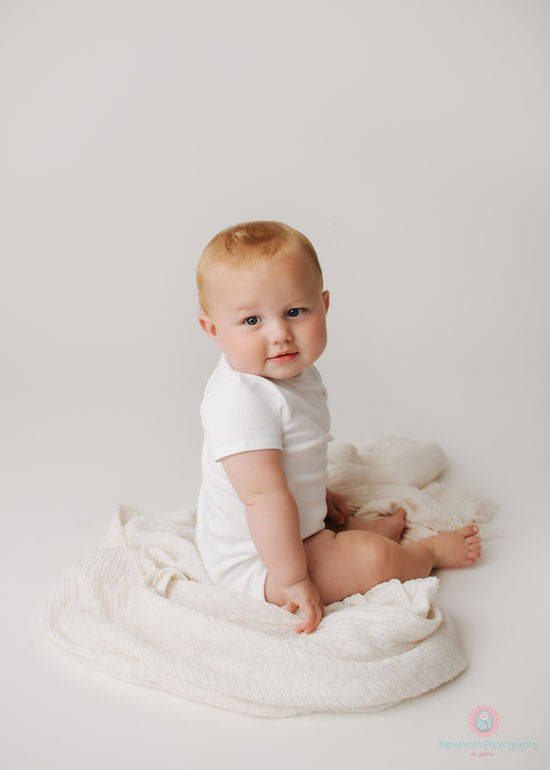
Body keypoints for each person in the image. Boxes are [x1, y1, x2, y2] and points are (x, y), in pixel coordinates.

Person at [194, 221, 482, 634]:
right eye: (252, 320)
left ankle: (337, 535)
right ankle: (425, 554)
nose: (280, 335)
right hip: (258, 561)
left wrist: (315, 493)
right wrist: (294, 581)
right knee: (372, 561)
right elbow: (261, 497)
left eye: (295, 312)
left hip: (284, 527)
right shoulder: (240, 402)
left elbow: (286, 464)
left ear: (323, 305)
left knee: (339, 537)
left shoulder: (288, 374)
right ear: (213, 330)